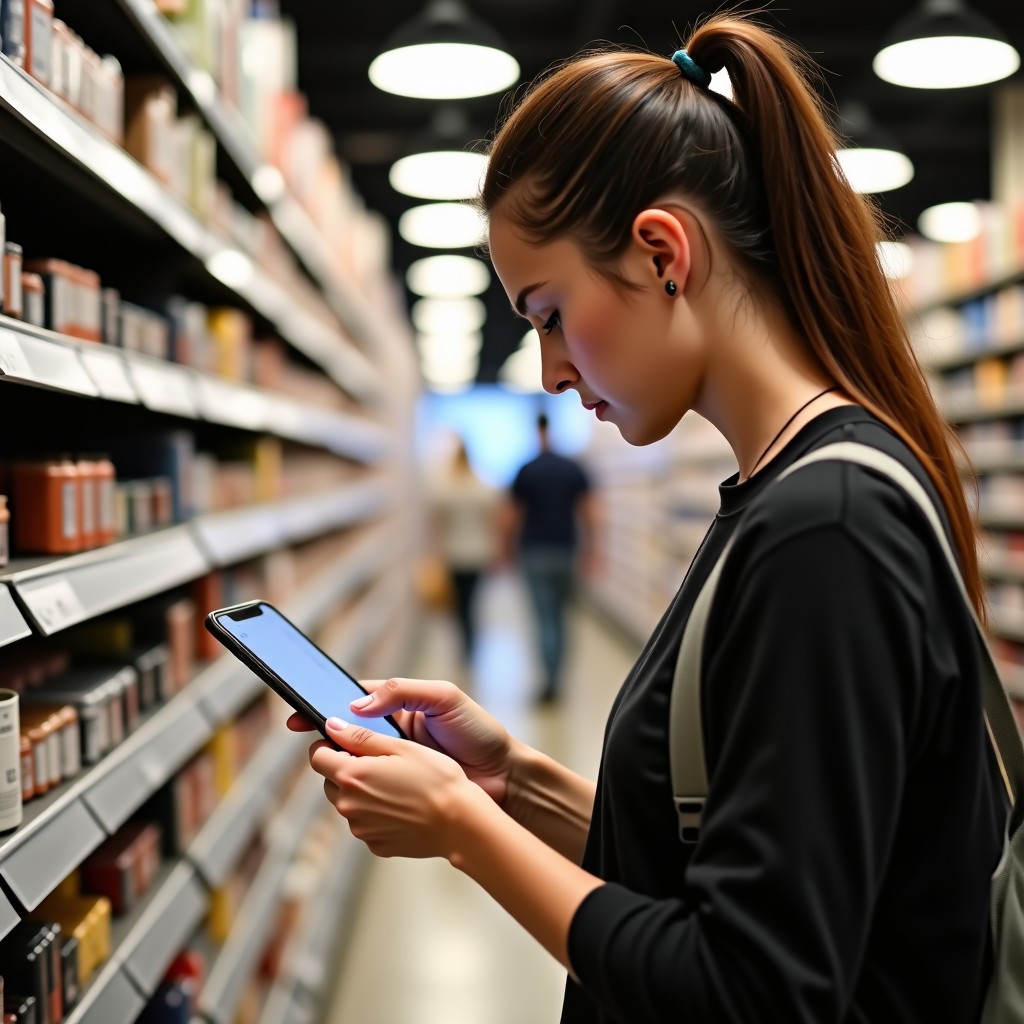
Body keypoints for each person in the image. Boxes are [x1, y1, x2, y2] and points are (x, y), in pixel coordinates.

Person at [289, 14, 1009, 1023]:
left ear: (663, 252)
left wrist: (461, 828)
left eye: (547, 312)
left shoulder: (825, 527)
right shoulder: (783, 495)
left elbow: (753, 991)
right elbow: (723, 870)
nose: (548, 369)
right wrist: (511, 782)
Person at [502, 412, 595, 703]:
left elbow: (512, 516)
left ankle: (550, 681)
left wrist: (506, 550)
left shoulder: (526, 470)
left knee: (543, 618)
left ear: (536, 431)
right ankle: (558, 677)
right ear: (551, 429)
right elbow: (590, 513)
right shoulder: (573, 469)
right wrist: (592, 550)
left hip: (534, 552)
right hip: (566, 550)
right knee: (562, 616)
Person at [426, 436, 500, 661]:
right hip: (478, 554)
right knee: (471, 603)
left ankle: (465, 648)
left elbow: (438, 525)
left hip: (454, 554)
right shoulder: (482, 487)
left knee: (459, 606)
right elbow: (492, 522)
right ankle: (470, 646)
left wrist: (435, 553)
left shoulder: (446, 488)